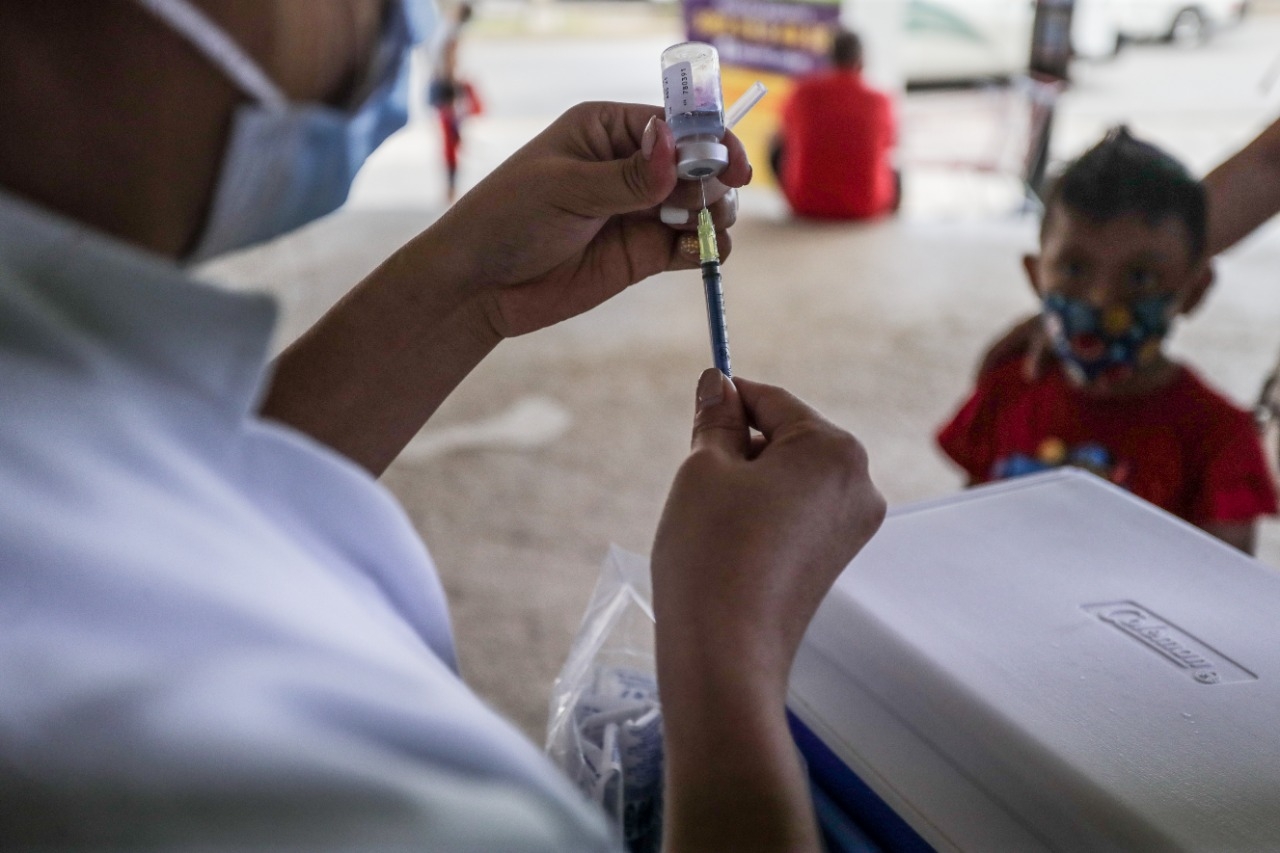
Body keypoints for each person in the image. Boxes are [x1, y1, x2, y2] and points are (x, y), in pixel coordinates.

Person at [0, 1, 887, 851]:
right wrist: (727, 652)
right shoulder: (304, 786)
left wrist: (470, 286)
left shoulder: (45, 409)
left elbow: (176, 517)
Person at [937, 128, 1277, 553]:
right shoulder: (1007, 387)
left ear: (1193, 292)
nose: (1101, 301)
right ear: (1035, 274)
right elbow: (962, 539)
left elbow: (1225, 593)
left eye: (1139, 277)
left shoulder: (1219, 439)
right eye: (1075, 269)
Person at [769, 27, 898, 220]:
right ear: (862, 61)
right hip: (866, 205)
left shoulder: (803, 92)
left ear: (830, 58)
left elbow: (782, 136)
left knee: (776, 147)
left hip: (806, 202)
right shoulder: (880, 100)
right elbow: (890, 144)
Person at [427, 1, 481, 202]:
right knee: (451, 138)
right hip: (445, 87)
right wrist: (457, 91)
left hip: (441, 86)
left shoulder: (445, 27)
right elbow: (449, 61)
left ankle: (450, 188)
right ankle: (450, 189)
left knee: (449, 139)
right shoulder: (450, 31)